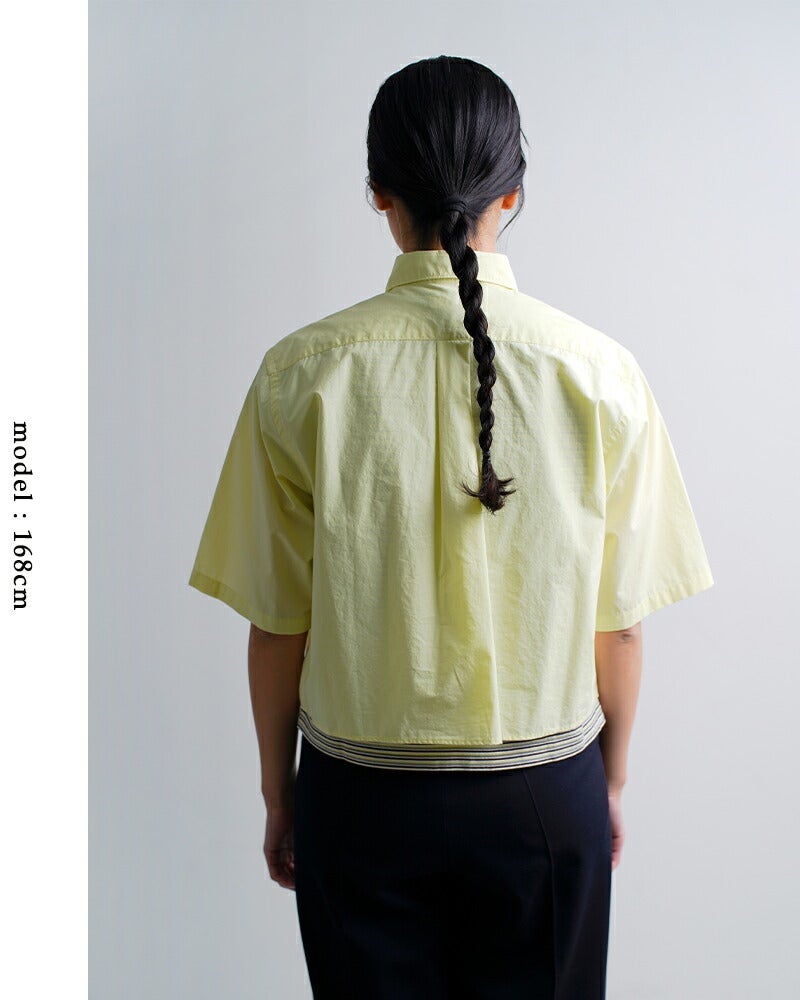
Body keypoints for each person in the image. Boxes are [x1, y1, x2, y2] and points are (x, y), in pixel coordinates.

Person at [188, 55, 714, 1000]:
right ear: (512, 192)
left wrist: (282, 794)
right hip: (545, 790)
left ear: (378, 194)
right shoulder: (601, 372)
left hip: (359, 796)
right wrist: (607, 785)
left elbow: (276, 624)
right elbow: (623, 628)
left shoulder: (300, 373)